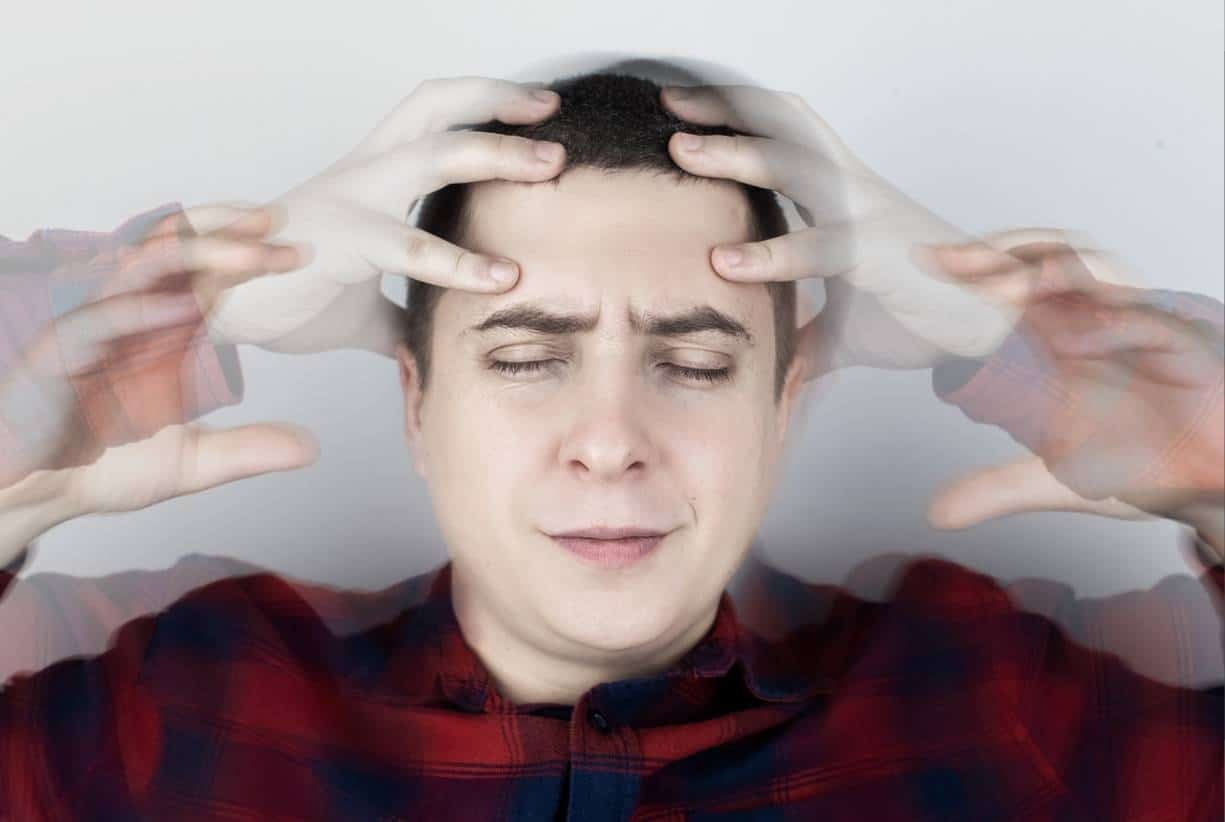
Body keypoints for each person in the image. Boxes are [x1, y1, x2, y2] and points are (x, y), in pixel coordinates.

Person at [0, 65, 1221, 820]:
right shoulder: (178, 699)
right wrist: (163, 307)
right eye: (526, 358)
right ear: (417, 401)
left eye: (694, 364)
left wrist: (1128, 396)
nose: (607, 441)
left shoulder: (997, 697)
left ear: (781, 406)